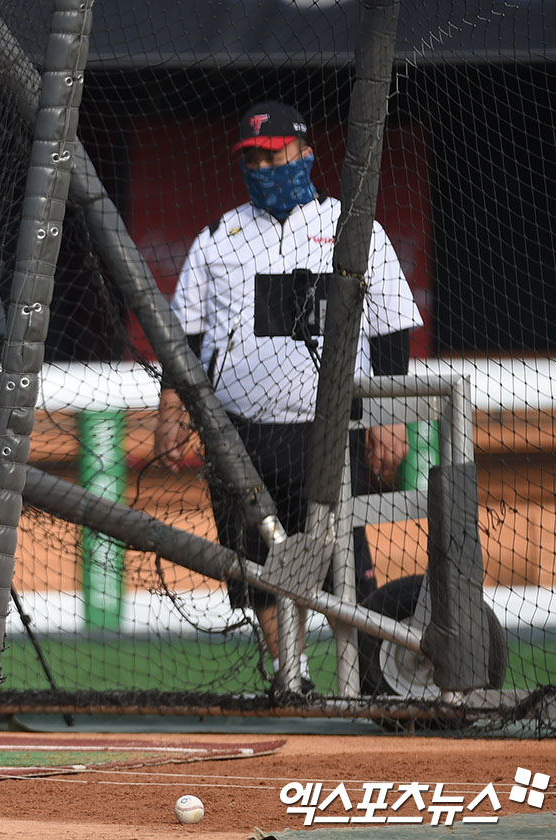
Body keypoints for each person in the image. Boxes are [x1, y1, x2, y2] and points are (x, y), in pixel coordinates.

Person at [154, 101, 423, 692]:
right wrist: (171, 410)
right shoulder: (217, 237)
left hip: (324, 429)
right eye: (250, 157)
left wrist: (389, 417)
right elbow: (184, 338)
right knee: (258, 567)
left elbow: (391, 327)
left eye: (272, 154)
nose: (261, 166)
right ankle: (292, 679)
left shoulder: (354, 229)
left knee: (341, 566)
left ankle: (370, 684)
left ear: (304, 153)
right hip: (238, 432)